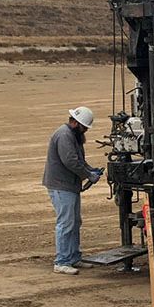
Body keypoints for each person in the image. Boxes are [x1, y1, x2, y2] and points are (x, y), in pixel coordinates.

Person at [42, 107, 104, 275]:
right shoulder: (64, 135)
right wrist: (89, 176)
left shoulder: (73, 136)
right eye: (84, 127)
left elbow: (79, 161)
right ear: (75, 123)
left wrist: (92, 170)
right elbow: (70, 161)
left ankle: (74, 257)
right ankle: (61, 261)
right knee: (66, 223)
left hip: (69, 185)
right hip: (61, 186)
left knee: (75, 222)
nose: (85, 131)